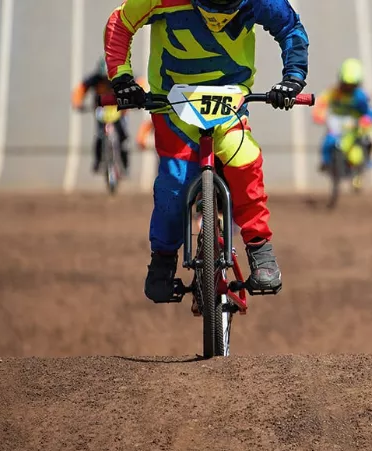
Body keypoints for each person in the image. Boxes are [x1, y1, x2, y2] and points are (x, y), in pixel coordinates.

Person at [103, 0, 309, 302]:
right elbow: (121, 22)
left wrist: (293, 78)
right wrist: (121, 78)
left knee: (244, 161)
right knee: (174, 185)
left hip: (230, 103)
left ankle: (260, 250)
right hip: (171, 103)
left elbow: (290, 27)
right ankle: (161, 262)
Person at [312, 58, 372, 172]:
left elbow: (367, 110)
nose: (348, 88)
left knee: (368, 140)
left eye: (351, 85)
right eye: (346, 84)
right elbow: (321, 102)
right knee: (328, 142)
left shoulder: (360, 96)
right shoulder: (333, 92)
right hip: (337, 124)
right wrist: (319, 114)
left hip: (354, 126)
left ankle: (367, 159)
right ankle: (326, 162)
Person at [72, 56, 131, 175]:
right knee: (99, 135)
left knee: (123, 137)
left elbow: (137, 84)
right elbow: (81, 89)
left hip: (119, 110)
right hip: (101, 110)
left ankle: (125, 165)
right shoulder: (94, 79)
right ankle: (98, 161)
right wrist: (77, 103)